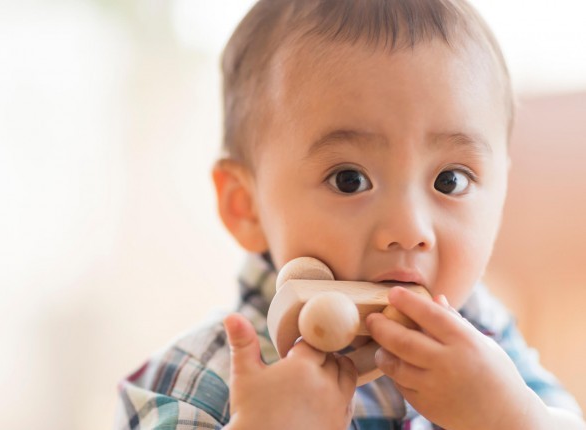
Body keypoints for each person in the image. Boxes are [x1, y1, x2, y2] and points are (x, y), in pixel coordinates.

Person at [116, 0, 585, 428]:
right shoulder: (205, 377)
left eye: (450, 180)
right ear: (246, 206)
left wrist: (514, 418)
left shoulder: (488, 340)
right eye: (349, 179)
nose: (409, 229)